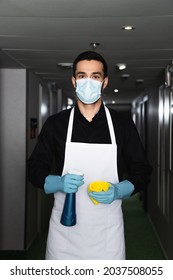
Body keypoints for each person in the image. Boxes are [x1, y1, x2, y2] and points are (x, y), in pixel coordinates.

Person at [28, 50, 151, 260]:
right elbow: (34, 169)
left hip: (108, 234)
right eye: (82, 76)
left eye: (95, 76)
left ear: (104, 82)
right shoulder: (56, 124)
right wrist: (57, 182)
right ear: (74, 81)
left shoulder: (122, 125)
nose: (88, 82)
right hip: (64, 233)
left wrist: (119, 190)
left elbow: (142, 170)